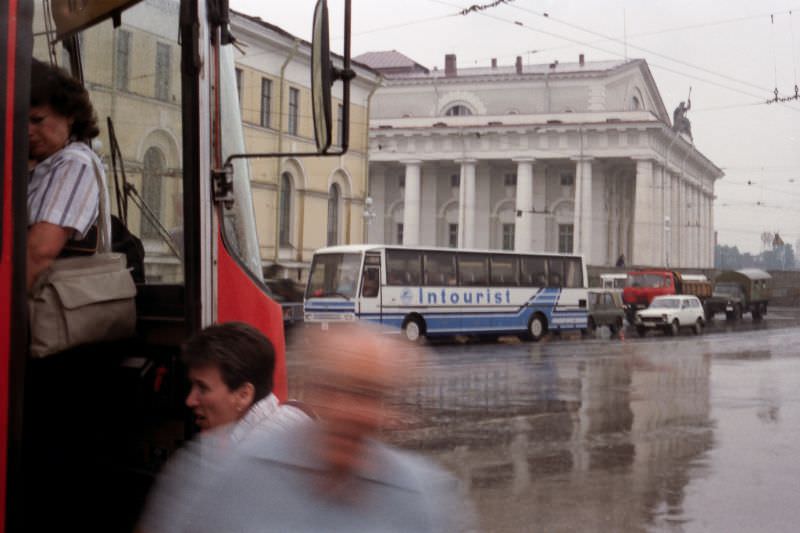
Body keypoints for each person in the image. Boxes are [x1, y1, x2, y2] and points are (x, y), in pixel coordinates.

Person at [140, 322, 475, 533]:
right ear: (312, 391)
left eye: (369, 395)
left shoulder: (424, 495)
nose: (351, 411)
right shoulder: (216, 473)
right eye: (335, 388)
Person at [27, 59, 108, 289]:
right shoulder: (38, 166)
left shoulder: (75, 164)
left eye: (37, 120)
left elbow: (40, 252)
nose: (27, 130)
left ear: (69, 115)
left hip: (48, 307)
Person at [182, 321, 308, 442]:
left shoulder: (253, 454)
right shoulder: (288, 425)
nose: (190, 401)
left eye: (203, 388)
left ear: (244, 395)